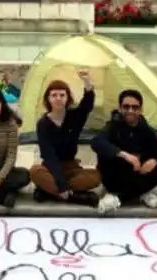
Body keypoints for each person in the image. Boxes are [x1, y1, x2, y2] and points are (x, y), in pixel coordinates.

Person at [29, 71, 102, 207]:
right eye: (54, 95)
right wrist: (60, 182)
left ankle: (49, 192)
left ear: (67, 98)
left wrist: (87, 83)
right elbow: (48, 155)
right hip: (51, 168)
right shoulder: (43, 124)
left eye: (62, 95)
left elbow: (87, 106)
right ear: (48, 99)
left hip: (71, 167)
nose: (58, 98)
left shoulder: (74, 117)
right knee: (35, 172)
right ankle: (76, 197)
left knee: (96, 176)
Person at [90, 89, 157, 213]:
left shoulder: (146, 129)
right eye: (126, 107)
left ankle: (119, 198)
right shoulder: (112, 125)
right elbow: (96, 142)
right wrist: (124, 155)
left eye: (135, 107)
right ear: (120, 108)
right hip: (115, 174)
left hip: (136, 173)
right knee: (108, 155)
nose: (130, 111)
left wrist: (154, 161)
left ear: (141, 110)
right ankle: (139, 193)